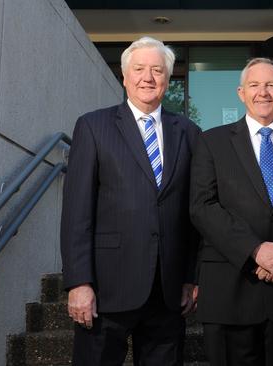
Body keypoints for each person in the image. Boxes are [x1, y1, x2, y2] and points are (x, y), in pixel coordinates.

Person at [60, 36, 200, 366]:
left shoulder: (189, 132)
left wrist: (191, 277)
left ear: (168, 79)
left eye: (157, 70)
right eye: (139, 69)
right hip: (106, 289)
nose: (147, 78)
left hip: (166, 294)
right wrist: (79, 282)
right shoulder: (93, 126)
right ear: (124, 76)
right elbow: (76, 212)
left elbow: (194, 213)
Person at [190, 57, 273, 366]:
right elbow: (202, 206)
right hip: (230, 293)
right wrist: (256, 250)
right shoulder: (211, 142)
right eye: (254, 85)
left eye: (271, 85)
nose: (262, 92)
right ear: (240, 93)